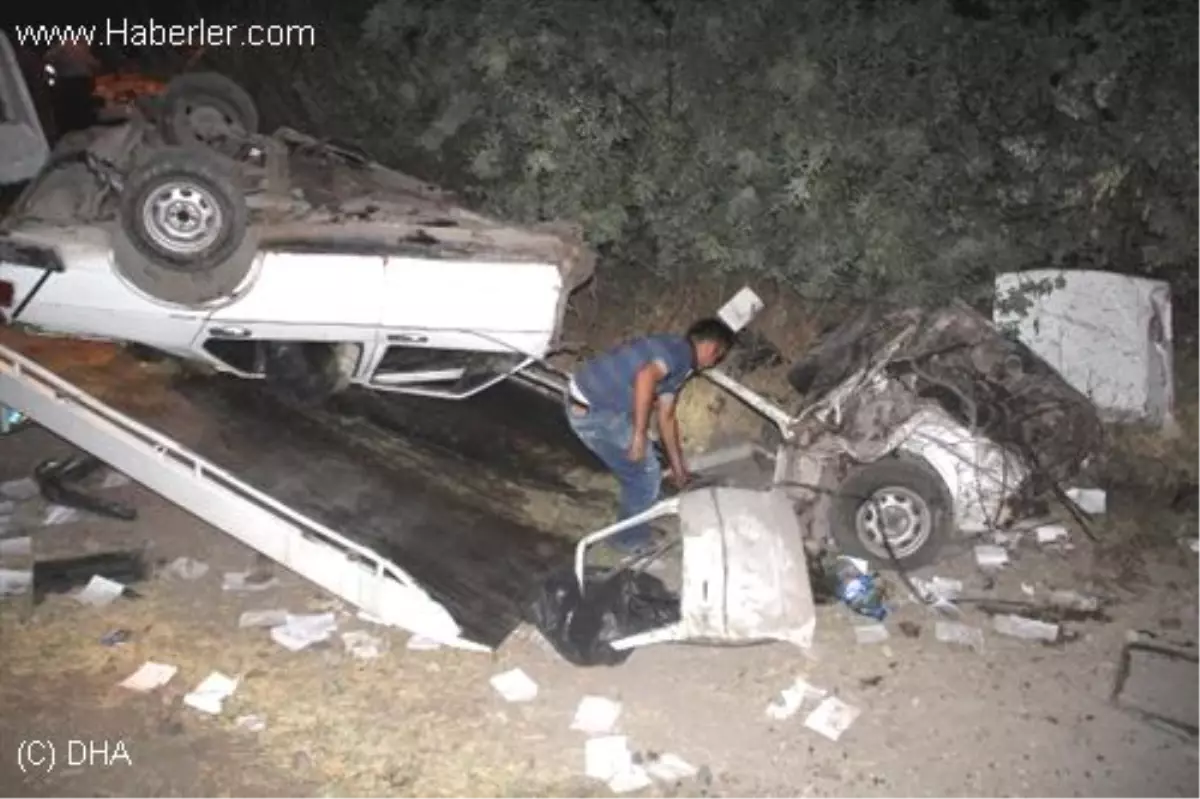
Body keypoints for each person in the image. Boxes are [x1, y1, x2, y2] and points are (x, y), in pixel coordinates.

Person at [564, 318, 737, 553]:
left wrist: (680, 471)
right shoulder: (678, 354)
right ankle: (627, 540)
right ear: (710, 347)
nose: (712, 364)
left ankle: (637, 521)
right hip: (595, 411)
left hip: (597, 403)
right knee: (645, 475)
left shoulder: (678, 361)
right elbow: (645, 377)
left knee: (648, 464)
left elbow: (666, 417)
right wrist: (638, 436)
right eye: (717, 357)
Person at [45, 36, 101, 134]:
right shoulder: (81, 46)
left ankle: (70, 125)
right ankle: (84, 123)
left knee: (70, 104)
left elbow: (48, 58)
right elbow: (93, 63)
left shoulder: (62, 46)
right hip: (82, 80)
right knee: (82, 103)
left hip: (67, 81)